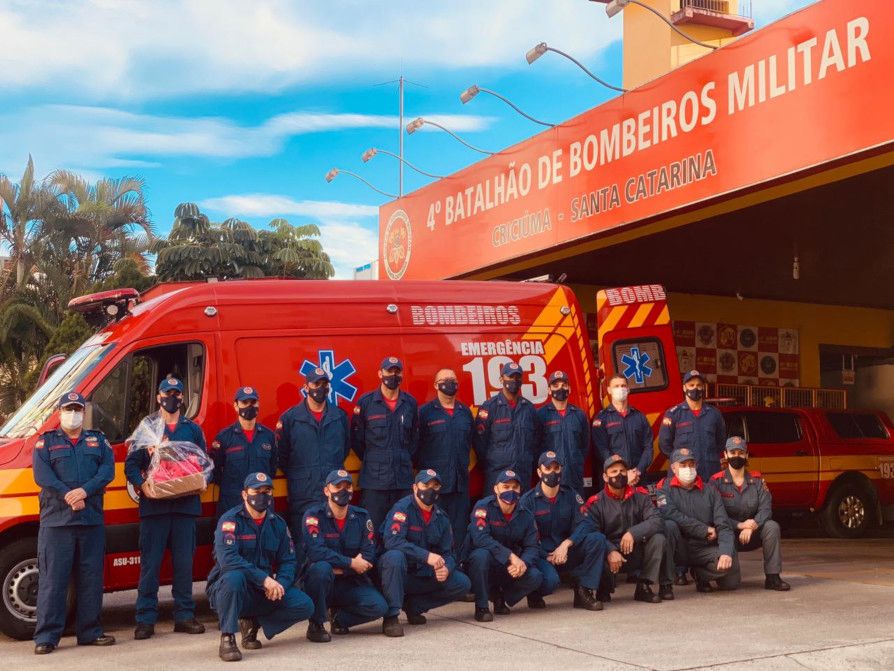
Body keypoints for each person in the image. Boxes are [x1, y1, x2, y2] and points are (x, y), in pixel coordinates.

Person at [32, 392, 116, 654]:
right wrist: (69, 495)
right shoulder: (46, 443)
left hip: (90, 519)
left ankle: (90, 631)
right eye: (68, 409)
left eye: (77, 408)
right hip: (57, 523)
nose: (73, 413)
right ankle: (46, 637)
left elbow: (107, 471)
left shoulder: (98, 441)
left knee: (91, 579)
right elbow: (42, 475)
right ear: (59, 413)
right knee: (53, 581)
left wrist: (84, 492)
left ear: (83, 412)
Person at [124, 376, 207, 639]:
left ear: (182, 398)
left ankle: (184, 615)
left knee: (184, 565)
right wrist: (142, 485)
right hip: (155, 509)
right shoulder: (147, 428)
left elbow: (204, 464)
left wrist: (200, 481)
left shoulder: (192, 430)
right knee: (150, 565)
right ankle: (146, 619)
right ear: (158, 396)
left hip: (185, 507)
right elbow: (131, 466)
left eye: (176, 393)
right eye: (166, 393)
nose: (171, 397)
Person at [207, 473, 314, 661]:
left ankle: (253, 623)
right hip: (230, 589)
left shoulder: (278, 524)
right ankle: (228, 637)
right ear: (244, 494)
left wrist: (279, 584)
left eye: (267, 491)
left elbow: (288, 561)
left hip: (263, 591)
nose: (262, 495)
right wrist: (264, 580)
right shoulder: (230, 521)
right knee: (234, 577)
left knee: (305, 605)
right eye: (256, 491)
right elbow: (228, 560)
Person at [378, 469, 471, 635]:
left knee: (462, 583)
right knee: (394, 556)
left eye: (435, 486)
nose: (430, 490)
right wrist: (426, 556)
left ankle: (415, 606)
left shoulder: (442, 517)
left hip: (424, 574)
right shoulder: (402, 509)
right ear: (415, 487)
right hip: (399, 574)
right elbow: (392, 541)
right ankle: (391, 617)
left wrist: (447, 568)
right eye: (425, 485)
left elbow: (449, 553)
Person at [301, 469, 388, 641]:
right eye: (337, 486)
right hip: (322, 583)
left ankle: (339, 619)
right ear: (327, 490)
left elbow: (369, 554)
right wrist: (351, 563)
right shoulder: (313, 516)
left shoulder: (362, 517)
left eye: (347, 486)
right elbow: (317, 552)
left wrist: (344, 570)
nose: (343, 490)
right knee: (322, 569)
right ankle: (316, 625)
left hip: (350, 582)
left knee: (379, 607)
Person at [519, 451, 606, 611]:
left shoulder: (571, 495)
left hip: (566, 552)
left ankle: (583, 591)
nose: (553, 472)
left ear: (561, 470)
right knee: (550, 581)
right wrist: (547, 556)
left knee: (597, 539)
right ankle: (535, 593)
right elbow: (525, 537)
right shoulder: (528, 500)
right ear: (539, 472)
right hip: (542, 556)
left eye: (556, 468)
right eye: (548, 468)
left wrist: (566, 544)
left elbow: (586, 523)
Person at [584, 454, 670, 604]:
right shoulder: (595, 502)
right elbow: (591, 532)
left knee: (658, 539)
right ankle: (603, 589)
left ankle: (644, 586)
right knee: (595, 546)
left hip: (633, 548)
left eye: (623, 470)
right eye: (614, 471)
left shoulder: (641, 496)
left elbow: (657, 520)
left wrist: (632, 533)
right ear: (605, 477)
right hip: (609, 554)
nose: (619, 474)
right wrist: (610, 550)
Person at [277, 367, 350, 542]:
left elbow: (346, 447)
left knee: (333, 544)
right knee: (304, 547)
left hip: (333, 494)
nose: (320, 388)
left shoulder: (339, 417)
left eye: (324, 384)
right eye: (316, 383)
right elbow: (282, 456)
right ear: (306, 387)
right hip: (303, 494)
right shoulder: (290, 418)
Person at [711, 437, 791, 591]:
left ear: (746, 455)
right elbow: (715, 516)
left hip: (752, 533)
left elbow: (766, 508)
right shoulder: (716, 482)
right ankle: (703, 573)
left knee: (772, 526)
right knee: (730, 584)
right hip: (728, 535)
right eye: (732, 452)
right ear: (725, 455)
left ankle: (773, 577)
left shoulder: (757, 480)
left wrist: (753, 525)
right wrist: (739, 525)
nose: (736, 456)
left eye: (740, 453)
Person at [462, 470, 543, 621]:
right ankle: (481, 606)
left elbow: (532, 546)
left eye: (514, 487)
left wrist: (523, 563)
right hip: (483, 564)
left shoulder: (525, 514)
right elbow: (480, 538)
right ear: (496, 489)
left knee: (535, 576)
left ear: (520, 489)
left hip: (508, 567)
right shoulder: (483, 507)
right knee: (481, 555)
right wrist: (511, 556)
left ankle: (500, 597)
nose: (510, 491)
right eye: (505, 487)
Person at [657, 448, 740, 593]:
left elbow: (724, 524)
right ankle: (666, 583)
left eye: (691, 464)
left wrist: (726, 552)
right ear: (673, 468)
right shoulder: (663, 490)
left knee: (731, 580)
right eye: (683, 465)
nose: (688, 469)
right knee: (669, 526)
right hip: (680, 547)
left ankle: (700, 575)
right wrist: (703, 529)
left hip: (705, 547)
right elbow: (669, 514)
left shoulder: (710, 491)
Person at [351, 356, 419, 529]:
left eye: (397, 371)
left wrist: (401, 456)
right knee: (372, 531)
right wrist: (376, 458)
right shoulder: (366, 403)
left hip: (403, 480)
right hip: (375, 482)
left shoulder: (410, 403)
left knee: (404, 529)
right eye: (389, 371)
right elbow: (357, 441)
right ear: (380, 373)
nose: (393, 375)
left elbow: (414, 440)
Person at [417, 368, 474, 548]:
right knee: (433, 532)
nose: (449, 383)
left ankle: (457, 568)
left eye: (453, 379)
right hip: (434, 486)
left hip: (460, 484)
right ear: (436, 385)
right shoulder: (425, 413)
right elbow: (415, 446)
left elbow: (473, 442)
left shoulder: (465, 412)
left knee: (459, 533)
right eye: (444, 379)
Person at [212, 386, 276, 518]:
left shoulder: (268, 436)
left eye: (253, 403)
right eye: (244, 403)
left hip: (262, 505)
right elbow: (216, 471)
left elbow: (272, 468)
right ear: (236, 406)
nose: (249, 406)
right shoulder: (224, 437)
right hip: (232, 504)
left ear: (258, 404)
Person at [474, 361, 538, 492]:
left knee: (522, 510)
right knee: (495, 510)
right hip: (497, 474)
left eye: (517, 377)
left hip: (522, 475)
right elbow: (480, 442)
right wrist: (494, 461)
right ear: (501, 379)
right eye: (510, 376)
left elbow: (536, 440)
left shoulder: (529, 408)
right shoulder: (489, 407)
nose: (514, 380)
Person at [658, 370, 726, 482]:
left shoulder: (714, 414)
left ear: (703, 388)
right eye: (691, 385)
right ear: (684, 388)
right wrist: (680, 461)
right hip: (683, 476)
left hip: (710, 475)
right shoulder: (673, 414)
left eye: (699, 385)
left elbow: (721, 442)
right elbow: (664, 445)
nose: (695, 388)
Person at [591, 374, 654, 488]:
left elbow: (648, 447)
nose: (620, 389)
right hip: (614, 479)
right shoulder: (601, 419)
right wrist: (622, 473)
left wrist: (637, 471)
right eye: (616, 386)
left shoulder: (639, 417)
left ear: (628, 389)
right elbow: (602, 450)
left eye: (623, 385)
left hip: (638, 479)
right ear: (609, 390)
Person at [535, 371, 590, 495]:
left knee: (577, 511)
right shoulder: (541, 415)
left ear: (569, 389)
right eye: (555, 385)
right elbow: (536, 446)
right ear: (549, 390)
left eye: (564, 385)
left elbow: (584, 445)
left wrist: (576, 461)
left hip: (575, 475)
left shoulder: (579, 415)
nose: (560, 388)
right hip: (551, 477)